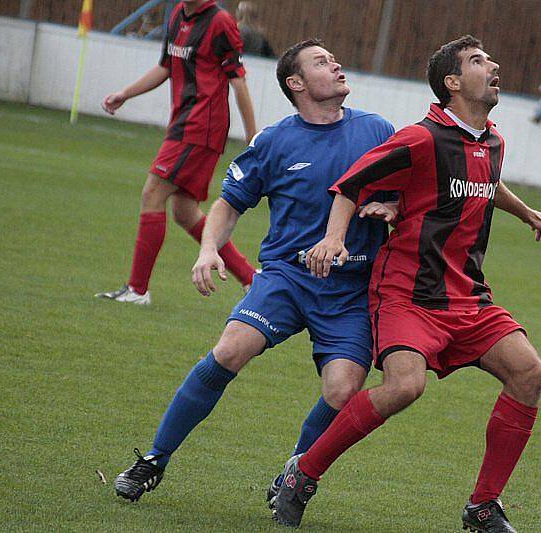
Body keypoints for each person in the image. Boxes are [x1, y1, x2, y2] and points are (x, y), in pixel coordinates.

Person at [274, 35, 541, 532]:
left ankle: (483, 507)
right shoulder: (420, 138)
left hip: (467, 295)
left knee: (529, 374)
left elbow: (486, 182)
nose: (493, 66)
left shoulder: (490, 139)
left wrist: (525, 212)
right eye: (477, 61)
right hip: (408, 293)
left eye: (490, 59)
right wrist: (334, 239)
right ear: (453, 83)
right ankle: (304, 472)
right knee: (405, 387)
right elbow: (350, 183)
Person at [112, 38, 399, 507]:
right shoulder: (274, 140)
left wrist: (390, 204)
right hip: (287, 278)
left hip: (352, 287)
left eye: (334, 57)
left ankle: (295, 475)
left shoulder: (378, 130)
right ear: (297, 83)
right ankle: (154, 460)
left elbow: (406, 191)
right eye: (323, 62)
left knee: (344, 388)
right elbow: (228, 206)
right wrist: (209, 250)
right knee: (229, 350)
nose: (337, 63)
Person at [96, 0, 258, 305]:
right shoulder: (178, 14)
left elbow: (239, 83)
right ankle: (251, 278)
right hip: (183, 123)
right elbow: (165, 67)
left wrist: (254, 139)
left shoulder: (220, 22)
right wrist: (125, 94)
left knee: (152, 194)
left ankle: (137, 290)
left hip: (201, 127)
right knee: (185, 212)